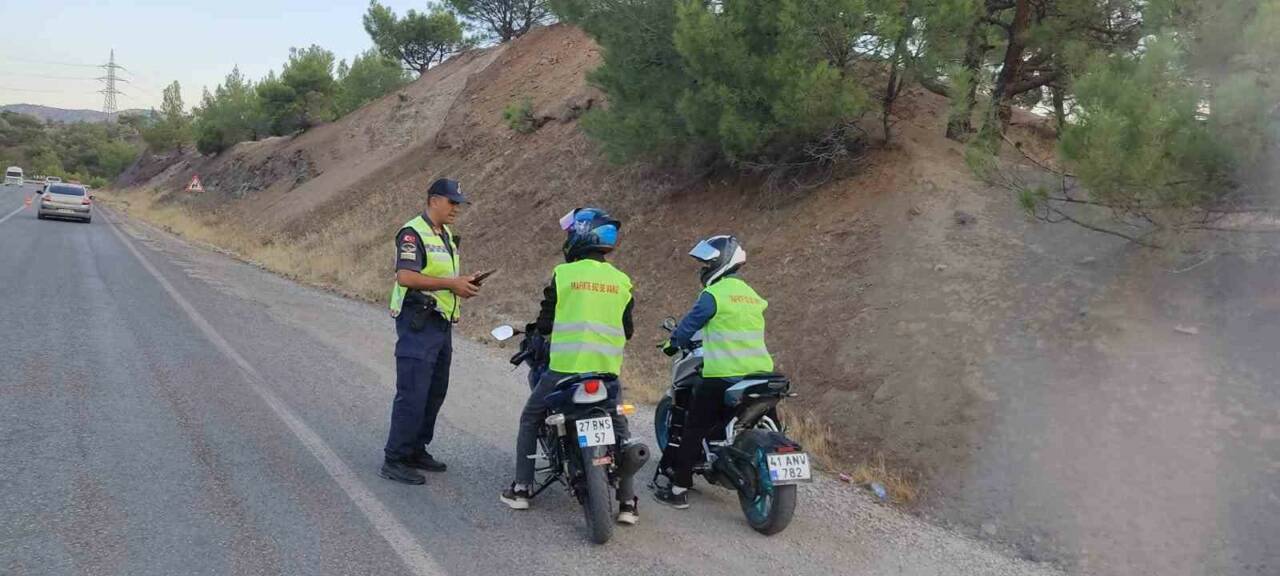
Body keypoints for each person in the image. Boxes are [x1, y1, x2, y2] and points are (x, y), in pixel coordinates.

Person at [500, 207, 641, 525]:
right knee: (620, 430)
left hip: (564, 371)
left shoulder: (564, 275)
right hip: (606, 373)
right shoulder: (621, 281)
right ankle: (628, 503)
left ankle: (522, 488)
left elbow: (546, 323)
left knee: (530, 418)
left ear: (580, 235)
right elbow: (627, 330)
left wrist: (534, 331)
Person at [653, 235, 774, 509]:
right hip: (759, 373)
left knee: (692, 428)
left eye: (707, 263)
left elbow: (687, 327)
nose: (703, 269)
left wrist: (672, 344)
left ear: (721, 263)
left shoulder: (713, 295)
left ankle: (678, 488)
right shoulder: (752, 296)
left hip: (724, 374)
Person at [380, 178, 480, 485]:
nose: (456, 209)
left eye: (458, 203)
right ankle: (395, 458)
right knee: (413, 392)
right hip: (418, 321)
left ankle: (416, 449)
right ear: (433, 200)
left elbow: (441, 275)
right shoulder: (413, 233)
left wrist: (463, 282)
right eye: (451, 202)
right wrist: (453, 284)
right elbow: (406, 276)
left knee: (435, 391)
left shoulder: (446, 234)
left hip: (441, 323)